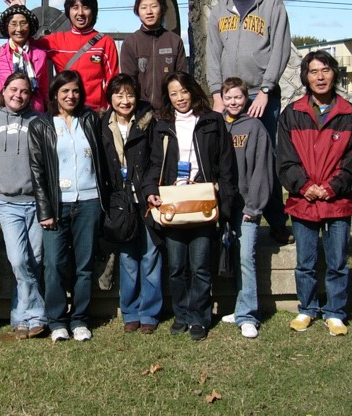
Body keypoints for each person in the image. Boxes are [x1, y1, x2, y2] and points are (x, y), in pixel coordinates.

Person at [206, 0, 293, 245]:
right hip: (228, 97)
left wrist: (266, 90)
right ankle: (225, 218)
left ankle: (278, 221)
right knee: (227, 159)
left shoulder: (272, 5)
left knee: (266, 159)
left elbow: (280, 48)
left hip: (259, 93)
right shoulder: (219, 10)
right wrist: (216, 93)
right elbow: (213, 54)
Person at [143, 72, 237, 341]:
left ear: (194, 91)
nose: (180, 98)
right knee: (176, 267)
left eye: (184, 91)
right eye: (174, 93)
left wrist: (225, 200)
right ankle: (181, 314)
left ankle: (199, 317)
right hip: (173, 202)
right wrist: (150, 191)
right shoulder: (162, 125)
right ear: (167, 97)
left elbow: (226, 165)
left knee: (200, 267)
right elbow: (152, 164)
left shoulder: (212, 121)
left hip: (203, 199)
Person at [278, 51, 352, 336]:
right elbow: (285, 159)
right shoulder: (292, 114)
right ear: (305, 77)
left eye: (325, 70)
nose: (320, 77)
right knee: (306, 263)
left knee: (337, 262)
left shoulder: (350, 115)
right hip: (303, 200)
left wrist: (330, 188)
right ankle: (307, 308)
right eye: (313, 71)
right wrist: (304, 186)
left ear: (334, 74)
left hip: (336, 201)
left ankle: (336, 312)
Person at [28, 70, 108, 342]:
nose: (70, 96)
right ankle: (57, 320)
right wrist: (45, 211)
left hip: (89, 202)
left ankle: (80, 319)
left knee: (84, 265)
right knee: (54, 264)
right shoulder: (41, 125)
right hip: (57, 204)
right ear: (55, 95)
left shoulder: (90, 120)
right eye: (65, 91)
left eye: (75, 91)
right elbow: (37, 171)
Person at [0, 72, 45, 339]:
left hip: (36, 202)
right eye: (13, 90)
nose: (18, 95)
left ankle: (23, 317)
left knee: (36, 260)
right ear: (3, 90)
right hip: (7, 203)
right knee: (18, 260)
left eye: (24, 91)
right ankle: (35, 313)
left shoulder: (39, 120)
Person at [100, 74, 163, 334]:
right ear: (110, 98)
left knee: (150, 255)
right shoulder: (102, 124)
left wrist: (148, 188)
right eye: (119, 95)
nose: (125, 101)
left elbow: (156, 159)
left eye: (130, 95)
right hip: (120, 201)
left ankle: (149, 311)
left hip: (146, 197)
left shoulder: (149, 122)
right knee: (127, 258)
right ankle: (130, 310)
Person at [219, 77, 274, 339]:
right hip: (220, 206)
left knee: (245, 259)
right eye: (228, 97)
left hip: (246, 206)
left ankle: (248, 314)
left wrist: (255, 205)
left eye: (238, 97)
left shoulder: (254, 128)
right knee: (225, 257)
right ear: (222, 98)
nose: (233, 102)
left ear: (246, 99)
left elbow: (262, 169)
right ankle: (238, 307)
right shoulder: (215, 124)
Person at [35, 0, 118, 111]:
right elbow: (25, 45)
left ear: (93, 11)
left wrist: (110, 113)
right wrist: (21, 13)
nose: (80, 13)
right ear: (68, 11)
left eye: (85, 7)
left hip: (94, 113)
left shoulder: (105, 42)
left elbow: (113, 82)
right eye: (75, 7)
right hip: (65, 112)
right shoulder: (55, 41)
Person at [120, 0, 188, 113]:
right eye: (144, 7)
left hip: (170, 112)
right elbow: (129, 82)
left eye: (154, 6)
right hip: (140, 112)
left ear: (161, 8)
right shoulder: (130, 43)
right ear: (137, 11)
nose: (149, 12)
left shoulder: (174, 41)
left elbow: (182, 79)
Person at [0, 3, 49, 112]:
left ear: (30, 26)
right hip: (2, 112)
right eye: (13, 24)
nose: (19, 29)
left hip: (33, 112)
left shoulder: (40, 55)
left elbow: (44, 89)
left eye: (23, 23)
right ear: (6, 27)